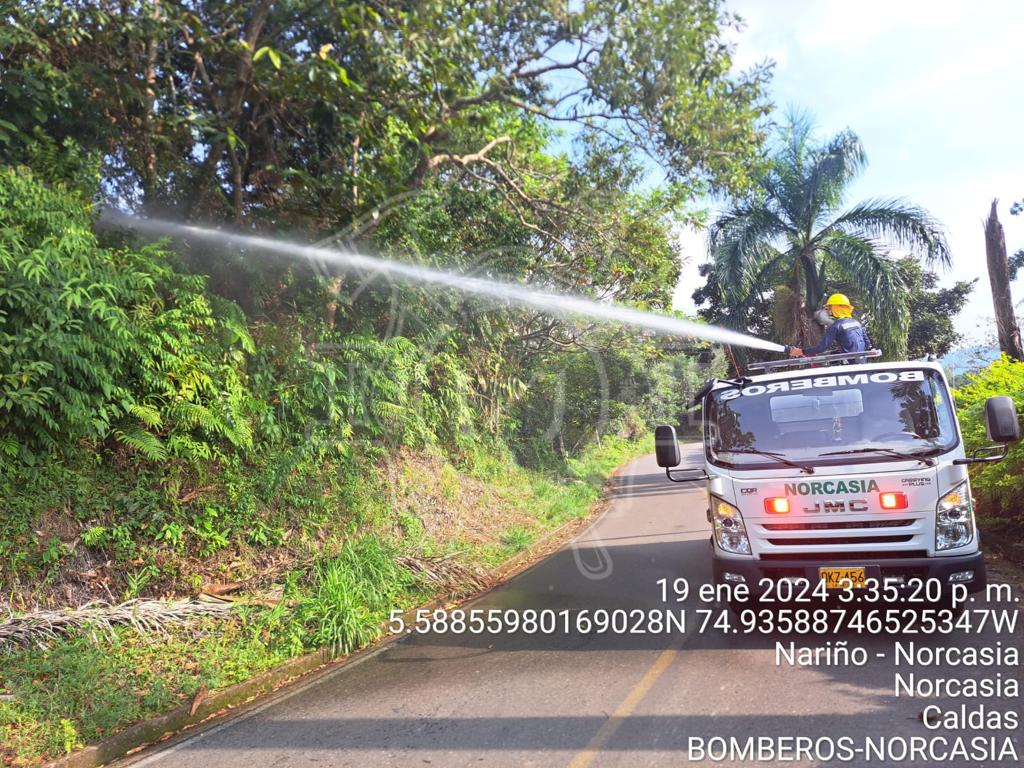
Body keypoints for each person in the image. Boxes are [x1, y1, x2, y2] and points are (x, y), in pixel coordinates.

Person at [786, 294, 872, 358]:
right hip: (861, 362)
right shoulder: (856, 322)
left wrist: (801, 351)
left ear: (836, 308)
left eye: (830, 308)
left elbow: (821, 348)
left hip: (849, 365)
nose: (828, 311)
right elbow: (867, 343)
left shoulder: (836, 326)